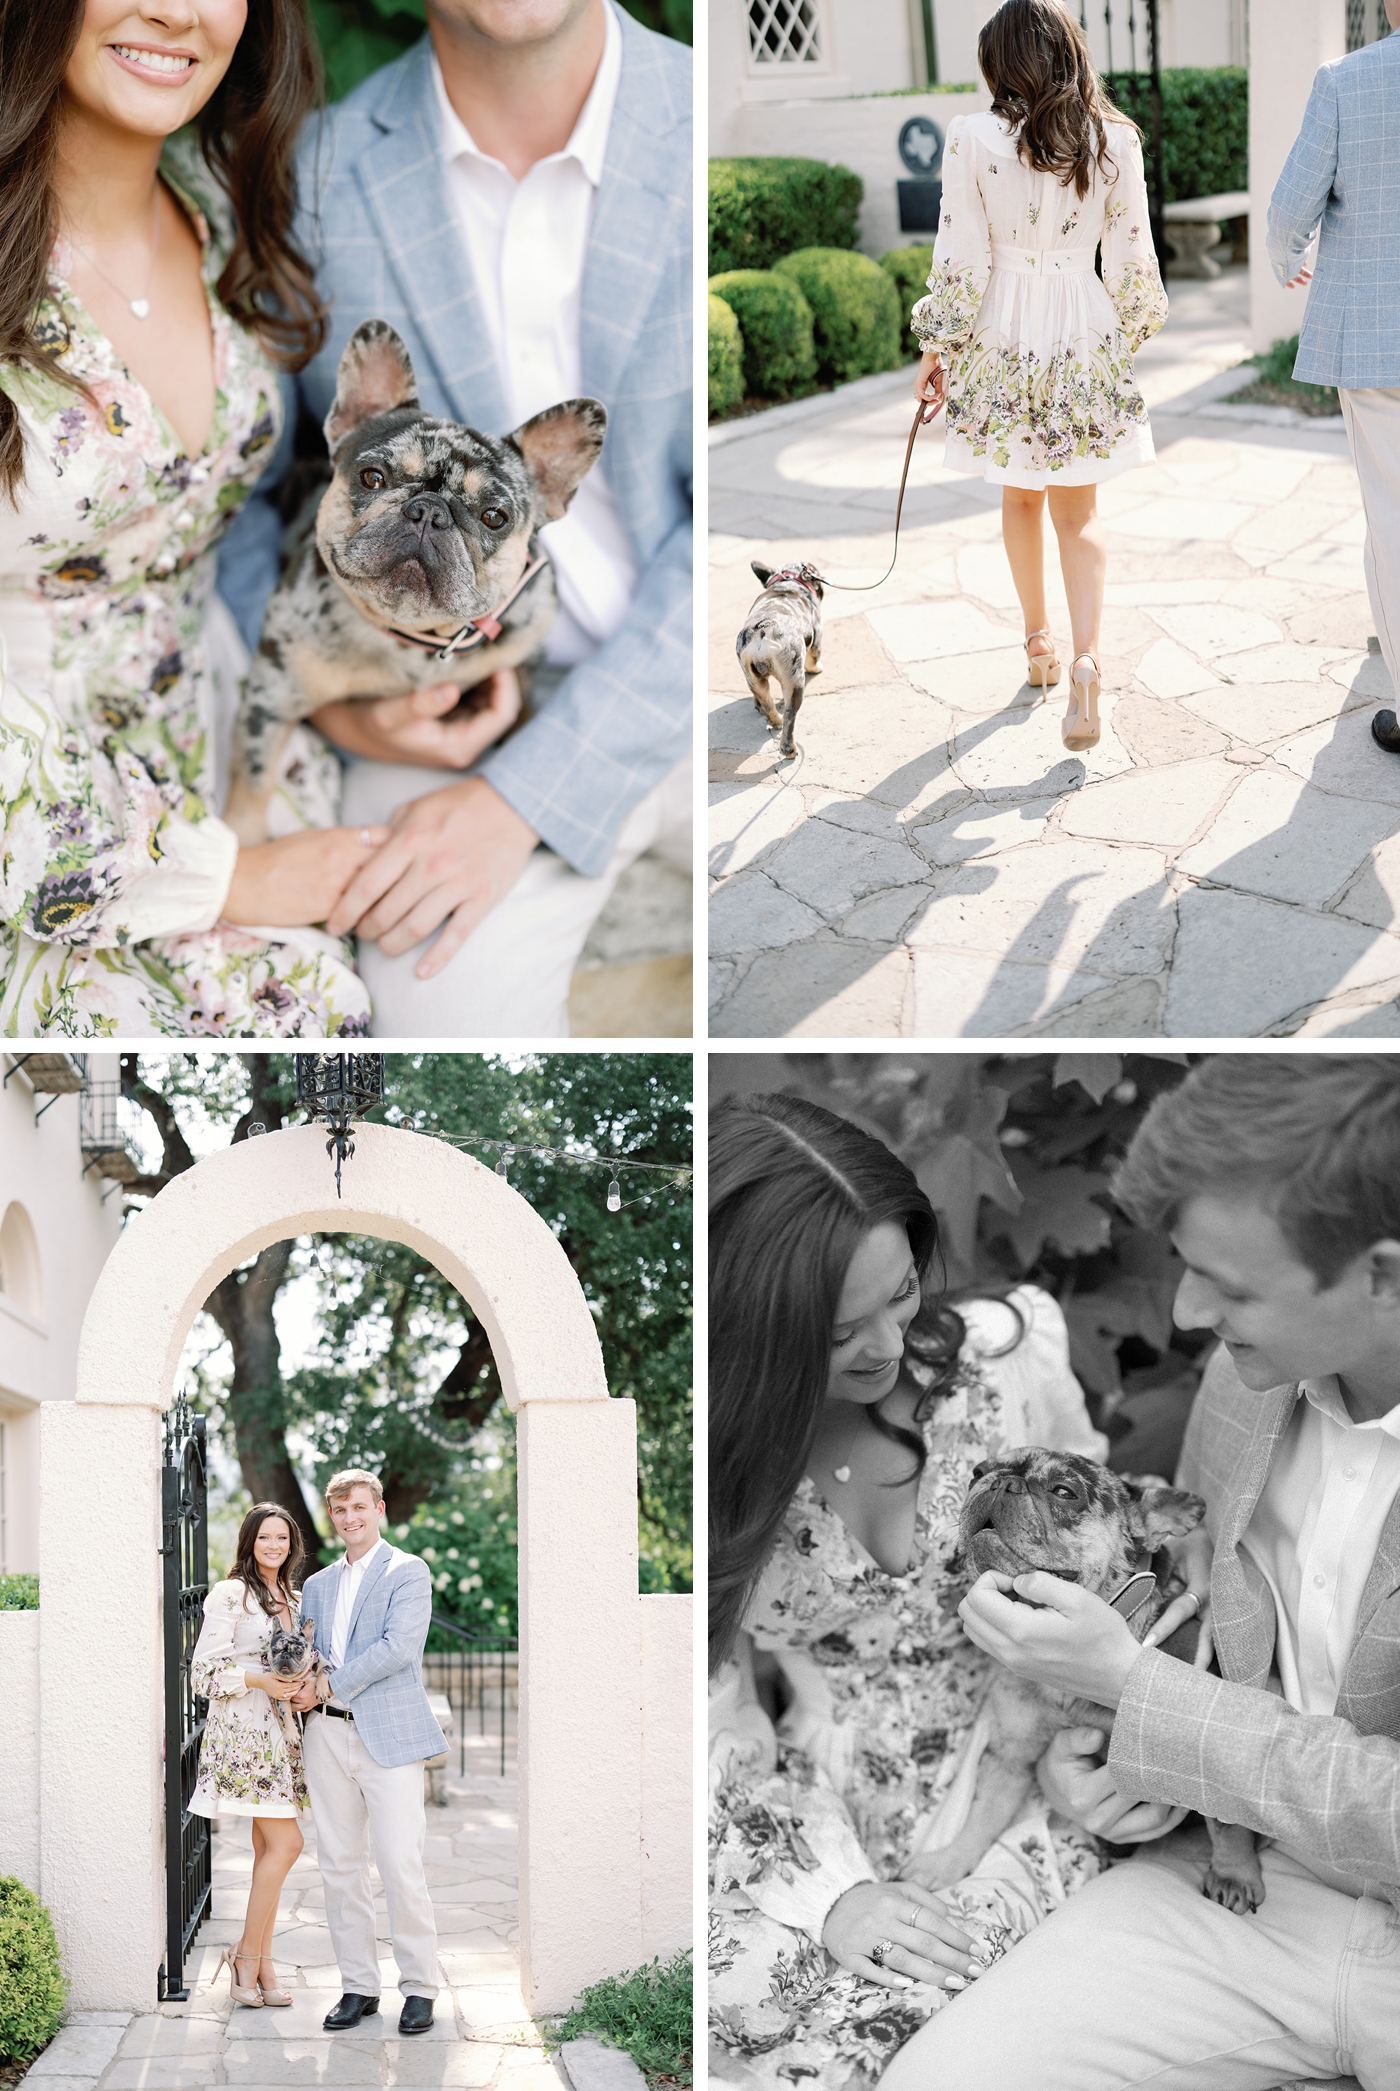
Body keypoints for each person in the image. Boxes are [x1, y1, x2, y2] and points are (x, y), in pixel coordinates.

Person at [881, 1054, 1400, 2091]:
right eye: (1181, 1264)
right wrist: (1118, 1762)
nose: (1186, 1315)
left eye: (1231, 1286)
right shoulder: (1248, 1377)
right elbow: (1189, 1616)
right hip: (1233, 1890)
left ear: (1383, 1274)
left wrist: (1134, 1690)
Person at [707, 1092, 1203, 2090]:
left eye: (899, 1296)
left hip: (1026, 1776)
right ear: (749, 1330)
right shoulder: (712, 1463)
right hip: (809, 1807)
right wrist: (828, 1893)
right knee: (764, 2030)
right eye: (838, 1330)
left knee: (895, 2039)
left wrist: (1103, 1751)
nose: (888, 1346)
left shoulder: (1002, 1360)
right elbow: (714, 1715)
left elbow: (1115, 1565)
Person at [216, 0, 692, 1036]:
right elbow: (241, 490)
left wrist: (530, 793)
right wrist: (331, 697)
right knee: (438, 1024)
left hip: (696, 688)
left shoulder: (707, 118)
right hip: (416, 711)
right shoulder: (313, 174)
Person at [0, 0, 411, 1037]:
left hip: (231, 759)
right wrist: (223, 878)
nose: (178, 11)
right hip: (46, 843)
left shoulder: (222, 211)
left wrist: (372, 674)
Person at [910, 0, 1167, 754]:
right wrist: (1129, 337)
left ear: (1005, 63)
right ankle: (1088, 660)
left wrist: (939, 346)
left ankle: (1038, 645)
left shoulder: (972, 138)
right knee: (1079, 515)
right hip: (1080, 323)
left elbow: (960, 254)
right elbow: (1132, 259)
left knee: (1020, 497)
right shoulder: (1114, 139)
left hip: (1002, 328)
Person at [1265, 4, 1400, 760]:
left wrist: (1289, 260)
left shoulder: (1347, 81)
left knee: (1393, 523)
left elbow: (1290, 207)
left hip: (1378, 341)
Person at [292, 1468, 448, 2038]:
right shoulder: (317, 1585)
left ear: (379, 1508)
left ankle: (420, 1988)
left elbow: (399, 1648)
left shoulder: (408, 1571)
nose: (349, 1518)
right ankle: (358, 1985)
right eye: (339, 1511)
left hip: (390, 1736)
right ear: (332, 1517)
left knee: (401, 1864)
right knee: (338, 1865)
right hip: (326, 1736)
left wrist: (329, 1684)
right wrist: (301, 1681)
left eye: (359, 1507)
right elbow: (310, 1652)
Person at [189, 1504, 313, 2009]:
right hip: (245, 1736)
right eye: (265, 1537)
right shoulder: (232, 1594)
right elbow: (202, 1674)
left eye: (282, 1538)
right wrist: (260, 1679)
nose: (274, 1546)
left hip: (284, 1736)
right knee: (288, 1845)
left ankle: (261, 1962)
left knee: (270, 1853)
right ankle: (245, 1957)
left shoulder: (297, 1598)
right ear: (249, 1541)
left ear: (292, 1544)